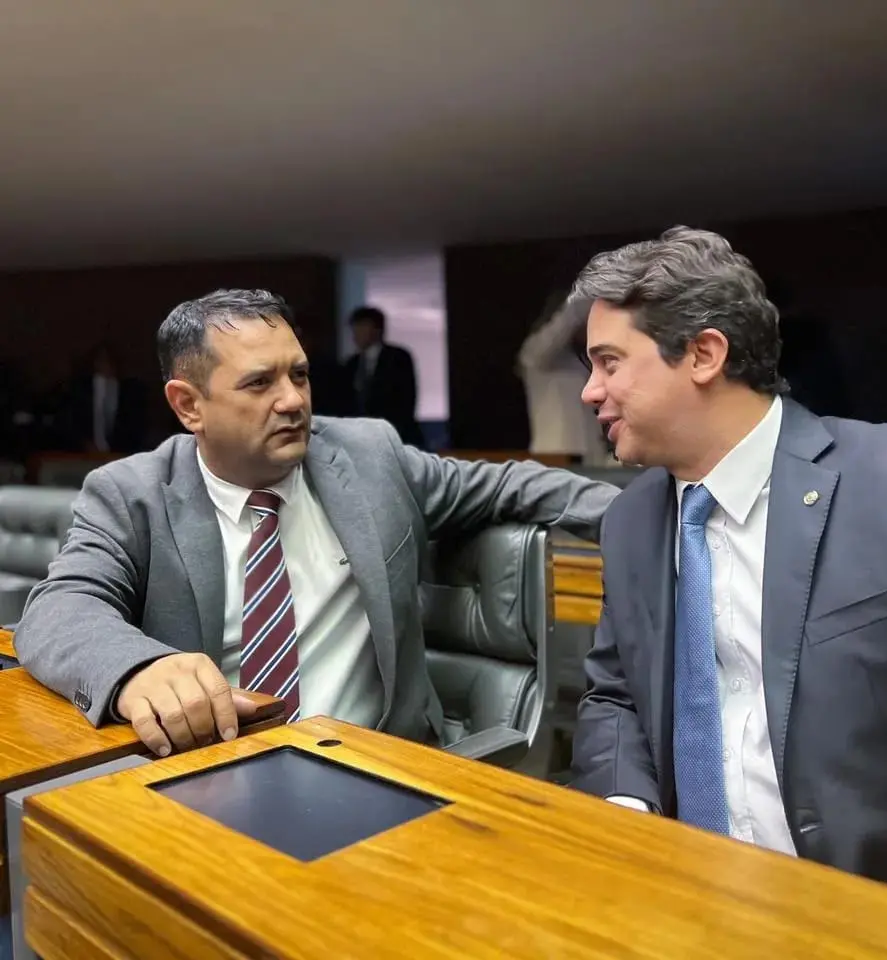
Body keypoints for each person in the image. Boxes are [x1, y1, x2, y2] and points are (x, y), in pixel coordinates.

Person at [16, 289, 620, 760]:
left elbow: (513, 485)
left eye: (299, 375)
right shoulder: (132, 494)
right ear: (189, 405)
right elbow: (58, 608)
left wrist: (645, 520)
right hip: (210, 778)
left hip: (384, 767)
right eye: (259, 382)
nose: (292, 401)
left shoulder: (371, 456)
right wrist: (139, 670)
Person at [569, 227, 887, 906]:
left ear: (704, 354)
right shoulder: (631, 520)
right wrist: (626, 810)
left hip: (882, 906)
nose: (588, 391)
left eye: (608, 362)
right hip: (682, 899)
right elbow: (616, 694)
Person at [516, 292, 611, 466]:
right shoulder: (538, 355)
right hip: (555, 461)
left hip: (592, 462)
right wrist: (585, 296)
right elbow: (564, 324)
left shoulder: (589, 360)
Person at [343, 306, 424, 447]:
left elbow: (406, 400)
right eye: (355, 328)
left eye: (362, 327)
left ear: (377, 330)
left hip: (396, 436)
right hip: (361, 439)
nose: (356, 333)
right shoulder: (352, 363)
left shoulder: (398, 357)